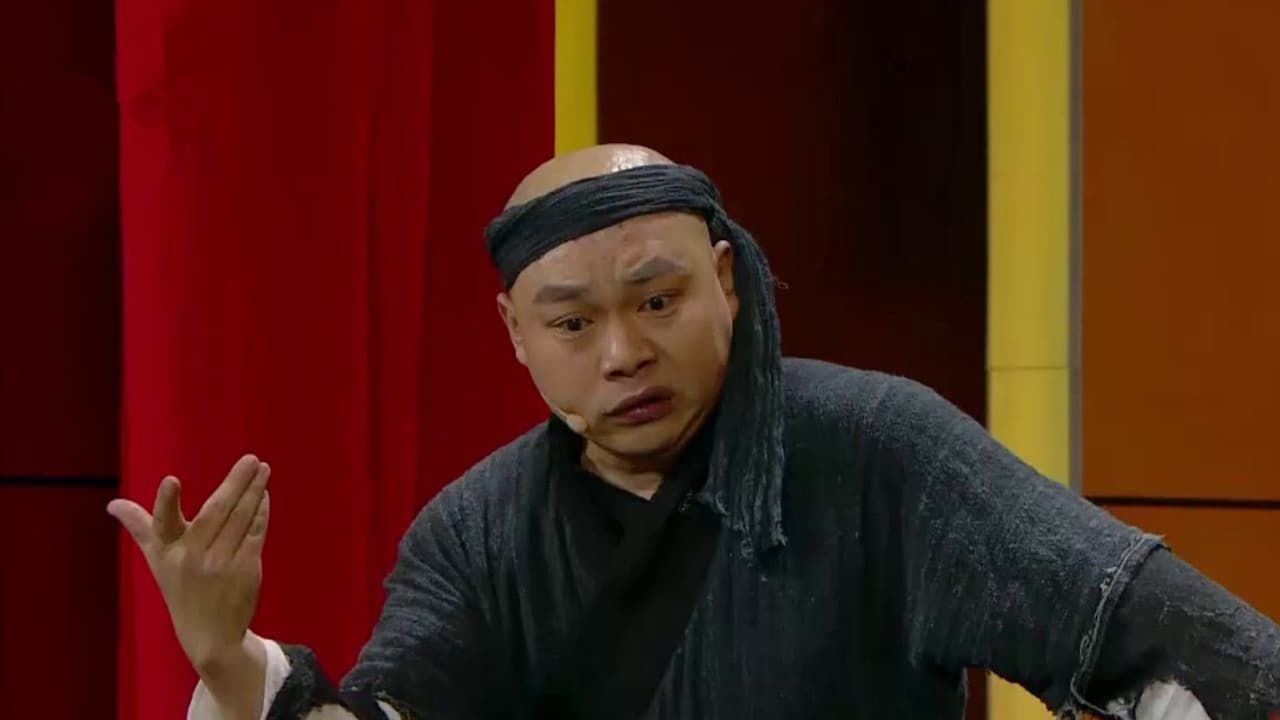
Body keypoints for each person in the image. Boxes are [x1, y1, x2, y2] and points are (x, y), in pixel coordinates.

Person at [110, 144, 1280, 720]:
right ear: (514, 334)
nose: (622, 352)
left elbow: (1173, 644)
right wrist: (227, 662)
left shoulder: (874, 449)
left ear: (725, 281)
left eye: (657, 301)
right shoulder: (477, 534)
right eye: (572, 322)